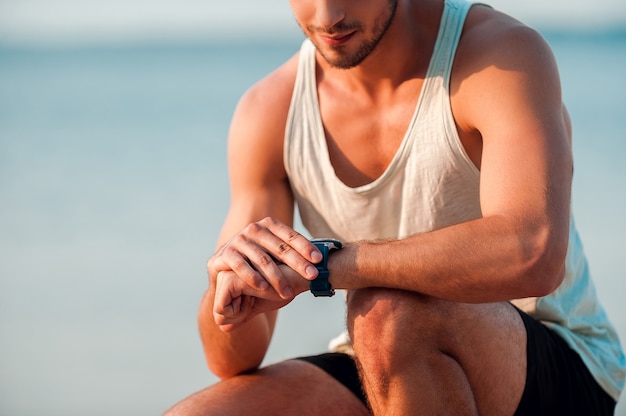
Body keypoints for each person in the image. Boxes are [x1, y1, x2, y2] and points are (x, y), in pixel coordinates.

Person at [165, 0, 625, 414]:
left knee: (386, 310)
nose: (328, 17)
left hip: (555, 355)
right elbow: (232, 359)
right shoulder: (270, 110)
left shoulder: (498, 55)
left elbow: (533, 254)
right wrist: (226, 293)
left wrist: (329, 266)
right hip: (379, 356)